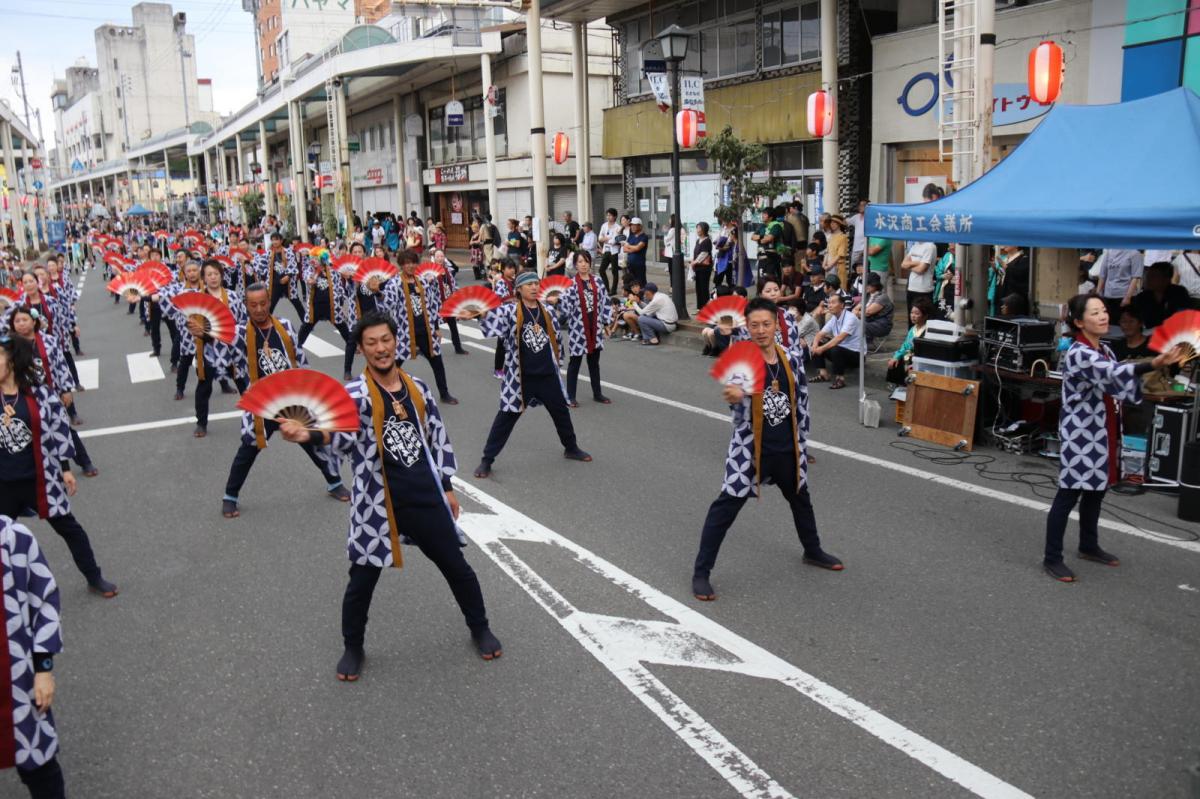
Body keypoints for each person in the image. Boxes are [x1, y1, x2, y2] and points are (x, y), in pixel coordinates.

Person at [279, 313, 503, 678]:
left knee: (456, 566)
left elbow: (436, 438)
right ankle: (353, 646)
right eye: (372, 343)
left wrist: (446, 487)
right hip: (376, 501)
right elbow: (341, 432)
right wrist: (310, 435)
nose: (381, 348)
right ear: (362, 349)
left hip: (424, 494)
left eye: (386, 340)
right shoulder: (355, 394)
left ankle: (479, 626)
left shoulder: (418, 388)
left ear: (396, 341)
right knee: (362, 580)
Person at [691, 297, 842, 602]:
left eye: (766, 324)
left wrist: (802, 442)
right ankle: (701, 573)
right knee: (725, 508)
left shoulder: (790, 355)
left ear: (777, 325)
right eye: (754, 325)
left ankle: (812, 550)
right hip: (750, 449)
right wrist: (736, 395)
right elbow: (735, 396)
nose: (760, 330)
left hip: (786, 446)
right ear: (747, 326)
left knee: (801, 498)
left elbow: (801, 399)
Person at [1043, 295, 1185, 582]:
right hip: (1081, 434)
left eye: (1105, 311)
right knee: (1069, 494)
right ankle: (1052, 557)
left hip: (1104, 429)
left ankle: (1088, 545)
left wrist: (1166, 367)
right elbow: (1113, 372)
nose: (1104, 316)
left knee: (1097, 490)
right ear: (1080, 322)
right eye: (1095, 313)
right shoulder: (1078, 352)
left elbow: (1119, 381)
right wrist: (1154, 362)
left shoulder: (1105, 349)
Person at [0, 337, 118, 598]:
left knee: (69, 528)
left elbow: (58, 430)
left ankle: (94, 576)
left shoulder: (38, 393)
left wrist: (65, 468)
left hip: (38, 477)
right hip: (4, 482)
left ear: (11, 359)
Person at [220, 283, 350, 519]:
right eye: (253, 305)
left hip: (292, 397)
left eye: (262, 303)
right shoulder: (240, 333)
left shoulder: (286, 326)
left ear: (269, 301)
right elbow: (226, 358)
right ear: (246, 306)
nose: (259, 309)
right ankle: (230, 495)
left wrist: (309, 390)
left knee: (311, 441)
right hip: (262, 402)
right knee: (249, 447)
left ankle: (334, 481)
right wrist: (203, 334)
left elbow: (299, 358)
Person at [461, 271, 592, 479]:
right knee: (506, 417)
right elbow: (491, 317)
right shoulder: (510, 310)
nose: (533, 287)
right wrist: (478, 313)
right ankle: (487, 459)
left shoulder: (547, 310)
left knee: (561, 412)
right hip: (521, 377)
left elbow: (558, 335)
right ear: (519, 289)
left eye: (535, 283)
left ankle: (571, 447)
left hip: (547, 373)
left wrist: (558, 361)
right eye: (528, 284)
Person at [0, 514, 67, 799]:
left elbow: (46, 601)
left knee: (39, 765)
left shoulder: (12, 536)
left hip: (18, 679)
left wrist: (44, 668)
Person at [6, 305, 97, 477]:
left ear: (34, 321)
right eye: (17, 321)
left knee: (63, 429)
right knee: (30, 432)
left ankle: (84, 461)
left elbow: (61, 365)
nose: (21, 324)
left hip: (49, 395)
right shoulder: (10, 346)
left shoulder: (48, 341)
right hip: (23, 397)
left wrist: (66, 389)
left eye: (24, 320)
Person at [385, 250, 458, 404]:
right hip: (405, 332)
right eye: (407, 263)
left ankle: (444, 394)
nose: (411, 266)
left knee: (437, 363)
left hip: (427, 331)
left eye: (413, 262)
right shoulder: (394, 283)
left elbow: (433, 306)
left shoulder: (423, 282)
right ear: (401, 264)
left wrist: (437, 327)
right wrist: (377, 292)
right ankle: (386, 394)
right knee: (394, 365)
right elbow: (387, 303)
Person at [556, 251, 613, 407]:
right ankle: (570, 396)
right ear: (575, 264)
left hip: (595, 327)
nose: (584, 264)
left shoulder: (598, 281)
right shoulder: (571, 284)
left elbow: (605, 303)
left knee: (594, 363)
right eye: (580, 261)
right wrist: (558, 301)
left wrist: (607, 323)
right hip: (578, 329)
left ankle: (597, 393)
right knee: (575, 363)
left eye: (586, 261)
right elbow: (566, 308)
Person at [809, 292, 862, 390]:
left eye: (833, 303)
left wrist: (822, 348)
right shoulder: (834, 318)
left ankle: (840, 379)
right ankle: (823, 374)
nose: (829, 305)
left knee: (835, 348)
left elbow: (839, 338)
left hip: (857, 355)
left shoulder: (850, 318)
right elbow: (820, 334)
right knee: (817, 343)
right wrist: (815, 345)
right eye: (829, 303)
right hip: (841, 352)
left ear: (842, 305)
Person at [254, 233, 305, 318]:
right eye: (273, 240)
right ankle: (264, 322)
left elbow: (293, 265)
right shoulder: (268, 253)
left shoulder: (288, 252)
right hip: (274, 284)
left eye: (276, 239)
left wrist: (288, 276)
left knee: (297, 303)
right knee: (270, 305)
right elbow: (261, 266)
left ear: (281, 241)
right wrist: (263, 278)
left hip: (288, 284)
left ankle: (306, 323)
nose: (274, 242)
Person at [886, 297, 935, 385]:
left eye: (917, 313)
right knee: (894, 361)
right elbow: (905, 346)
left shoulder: (928, 331)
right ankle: (897, 387)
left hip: (919, 359)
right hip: (909, 357)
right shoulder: (913, 329)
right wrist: (896, 357)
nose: (913, 316)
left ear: (925, 315)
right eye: (912, 313)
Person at [1130, 261, 1189, 329]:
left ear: (1166, 279)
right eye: (1148, 276)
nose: (1148, 279)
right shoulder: (1142, 297)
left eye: (1153, 276)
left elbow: (1182, 317)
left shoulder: (1179, 293)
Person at [1096, 249, 1144, 321]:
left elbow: (1135, 277)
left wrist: (1128, 297)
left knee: (1125, 322)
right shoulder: (1109, 253)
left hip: (1125, 295)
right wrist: (1097, 294)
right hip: (1109, 295)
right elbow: (1102, 275)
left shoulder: (1134, 253)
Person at [901, 237, 936, 326]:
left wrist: (910, 265)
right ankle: (911, 338)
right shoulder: (914, 245)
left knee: (923, 320)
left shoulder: (930, 246)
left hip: (924, 289)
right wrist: (917, 263)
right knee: (911, 319)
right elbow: (903, 265)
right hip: (911, 287)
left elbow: (921, 269)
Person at [858, 272, 894, 344]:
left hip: (882, 325)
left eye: (868, 284)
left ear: (875, 285)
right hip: (869, 322)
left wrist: (858, 313)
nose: (865, 286)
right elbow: (856, 309)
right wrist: (858, 313)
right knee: (851, 322)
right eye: (864, 284)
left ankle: (857, 346)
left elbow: (867, 313)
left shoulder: (882, 297)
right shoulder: (867, 295)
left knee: (856, 324)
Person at [690, 221, 714, 311]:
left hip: (704, 268)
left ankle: (706, 308)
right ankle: (699, 307)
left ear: (704, 229)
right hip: (698, 268)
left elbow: (704, 254)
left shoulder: (707, 241)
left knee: (704, 288)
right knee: (698, 288)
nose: (697, 230)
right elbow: (696, 253)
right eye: (697, 228)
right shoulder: (698, 240)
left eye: (699, 228)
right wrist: (694, 261)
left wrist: (695, 262)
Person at [597, 208, 623, 295]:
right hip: (606, 250)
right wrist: (607, 239)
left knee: (614, 271)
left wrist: (608, 240)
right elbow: (600, 238)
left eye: (610, 215)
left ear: (615, 216)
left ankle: (614, 289)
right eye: (607, 215)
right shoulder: (604, 225)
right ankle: (606, 288)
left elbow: (616, 240)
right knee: (601, 270)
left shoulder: (618, 227)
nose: (608, 217)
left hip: (614, 251)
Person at [823, 213, 850, 288]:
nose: (832, 224)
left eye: (834, 222)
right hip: (829, 264)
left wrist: (829, 265)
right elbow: (827, 251)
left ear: (839, 224)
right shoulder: (831, 236)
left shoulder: (843, 237)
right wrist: (824, 264)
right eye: (831, 222)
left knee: (837, 287)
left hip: (837, 265)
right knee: (829, 287)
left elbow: (840, 254)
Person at [623, 217, 649, 287]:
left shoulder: (644, 237)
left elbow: (638, 247)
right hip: (630, 263)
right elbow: (624, 249)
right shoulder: (631, 236)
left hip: (639, 264)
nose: (632, 227)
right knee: (631, 283)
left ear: (640, 226)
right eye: (631, 225)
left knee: (640, 283)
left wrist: (629, 246)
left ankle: (642, 296)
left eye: (635, 225)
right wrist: (633, 248)